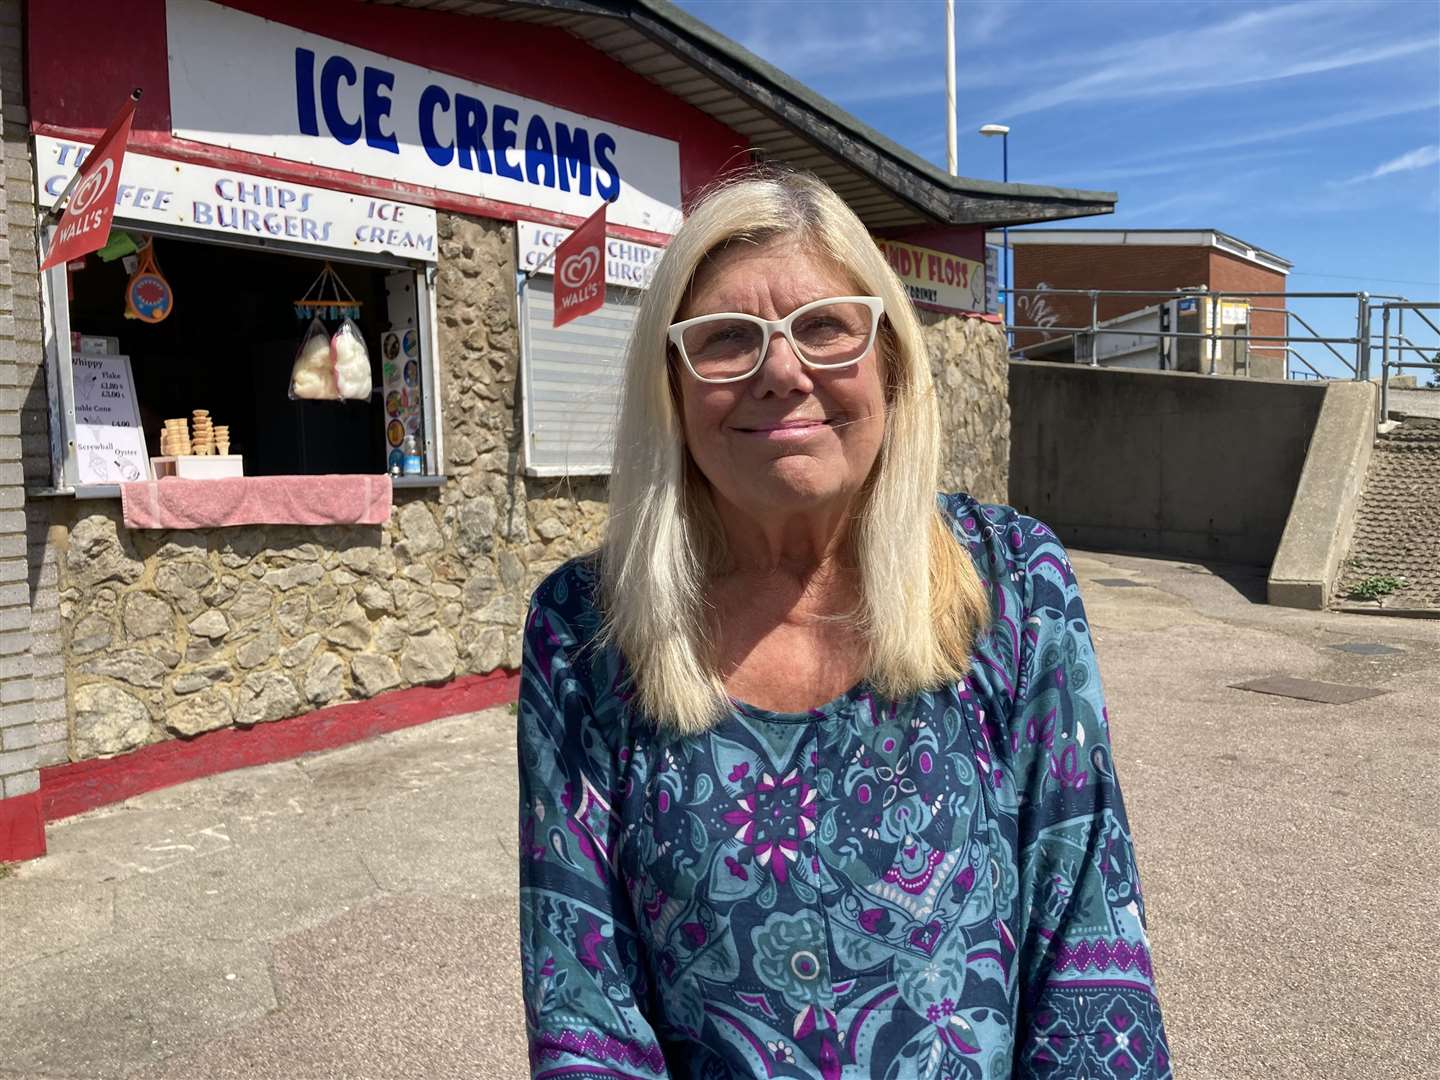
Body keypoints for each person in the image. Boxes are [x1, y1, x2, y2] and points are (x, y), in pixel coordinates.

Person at [517, 171, 1170, 1080]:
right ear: (670, 387)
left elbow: (1088, 952)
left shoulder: (1015, 584)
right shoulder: (584, 629)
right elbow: (585, 1014)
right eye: (726, 340)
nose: (780, 371)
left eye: (825, 326)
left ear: (892, 361)